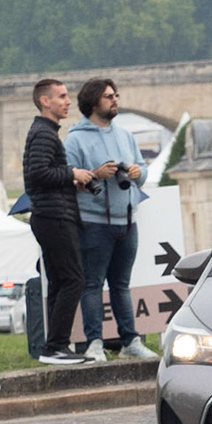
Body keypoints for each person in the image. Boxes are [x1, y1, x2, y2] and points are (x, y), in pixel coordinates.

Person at [66, 77, 153, 361]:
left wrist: (139, 173)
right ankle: (94, 342)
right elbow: (68, 177)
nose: (115, 99)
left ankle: (130, 340)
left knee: (121, 285)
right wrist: (96, 173)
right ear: (93, 102)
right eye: (108, 96)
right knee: (92, 284)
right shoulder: (75, 138)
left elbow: (141, 168)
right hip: (92, 222)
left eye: (116, 95)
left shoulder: (125, 135)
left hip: (127, 220)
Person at [22, 78, 92, 365]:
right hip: (54, 216)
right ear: (44, 101)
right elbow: (37, 174)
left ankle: (53, 346)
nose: (68, 101)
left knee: (61, 281)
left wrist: (68, 180)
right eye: (61, 96)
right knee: (74, 279)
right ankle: (57, 345)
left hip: (50, 213)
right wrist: (72, 174)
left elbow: (43, 174)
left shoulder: (44, 133)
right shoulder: (43, 134)